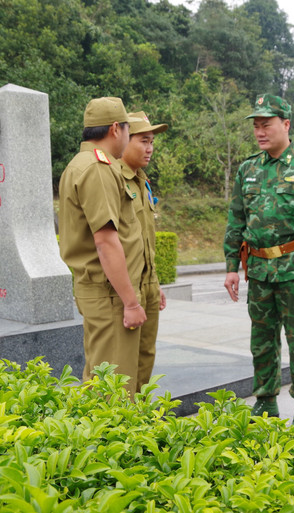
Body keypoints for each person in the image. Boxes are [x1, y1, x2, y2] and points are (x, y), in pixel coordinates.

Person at [223, 94, 294, 427]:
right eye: (256, 126)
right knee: (262, 340)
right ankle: (266, 400)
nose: (260, 132)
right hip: (258, 271)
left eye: (266, 124)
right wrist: (231, 266)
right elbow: (236, 220)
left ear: (286, 124)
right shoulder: (248, 169)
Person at [58, 97, 146, 392]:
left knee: (102, 378)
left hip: (105, 291)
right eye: (127, 130)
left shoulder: (83, 164)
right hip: (110, 294)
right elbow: (106, 241)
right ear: (115, 129)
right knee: (114, 390)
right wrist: (131, 302)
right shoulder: (97, 168)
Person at [118, 111, 169, 392]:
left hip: (147, 283)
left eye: (152, 142)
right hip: (127, 286)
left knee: (145, 358)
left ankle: (139, 420)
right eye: (143, 141)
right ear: (123, 139)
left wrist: (155, 282)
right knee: (121, 365)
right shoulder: (113, 179)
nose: (149, 148)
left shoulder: (141, 180)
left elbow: (145, 240)